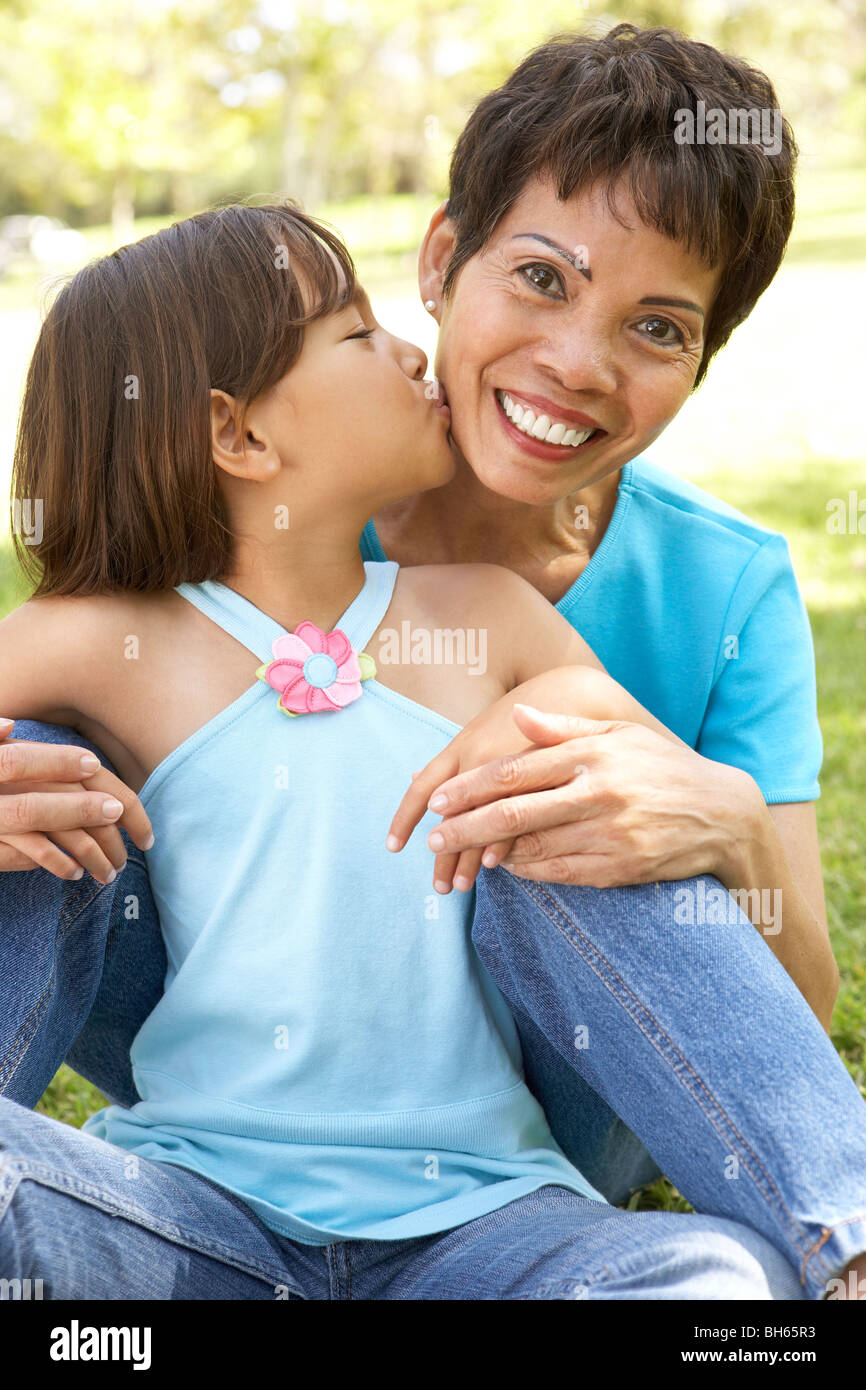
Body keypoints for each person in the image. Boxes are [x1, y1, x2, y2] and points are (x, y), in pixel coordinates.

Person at [2, 25, 865, 1299]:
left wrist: (718, 816)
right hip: (200, 1204)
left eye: (657, 328)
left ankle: (838, 1242)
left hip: (501, 1191)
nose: (578, 365)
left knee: (578, 789)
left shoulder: (624, 599)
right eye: (540, 278)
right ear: (442, 260)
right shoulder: (144, 617)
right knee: (38, 772)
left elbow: (774, 989)